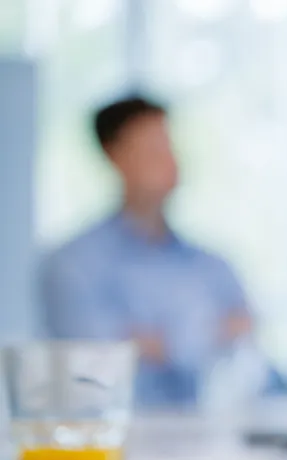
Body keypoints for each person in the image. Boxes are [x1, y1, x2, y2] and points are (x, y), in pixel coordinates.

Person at [40, 95, 254, 408]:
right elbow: (98, 363)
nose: (169, 161)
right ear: (113, 155)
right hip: (109, 444)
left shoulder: (210, 264)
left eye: (169, 146)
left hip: (205, 441)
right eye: (152, 149)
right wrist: (204, 335)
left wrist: (152, 342)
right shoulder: (72, 264)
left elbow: (245, 338)